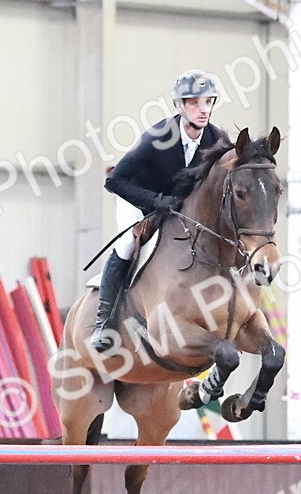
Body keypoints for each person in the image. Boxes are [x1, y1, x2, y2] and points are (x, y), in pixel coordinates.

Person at [90, 69, 225, 352]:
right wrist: (154, 200)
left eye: (208, 102)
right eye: (194, 103)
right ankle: (104, 323)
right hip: (139, 199)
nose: (203, 110)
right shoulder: (158, 136)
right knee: (128, 244)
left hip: (178, 208)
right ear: (179, 105)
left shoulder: (217, 140)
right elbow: (114, 180)